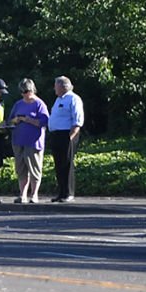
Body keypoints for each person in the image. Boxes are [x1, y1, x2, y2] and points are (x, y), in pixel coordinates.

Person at [8, 78, 50, 204]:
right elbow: (10, 120)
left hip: (33, 142)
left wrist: (28, 120)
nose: (25, 94)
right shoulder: (18, 104)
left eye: (26, 91)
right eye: (22, 92)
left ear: (32, 90)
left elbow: (44, 122)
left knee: (35, 169)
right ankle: (23, 195)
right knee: (21, 169)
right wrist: (15, 120)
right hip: (18, 140)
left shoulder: (39, 104)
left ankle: (34, 194)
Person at [47, 74, 85, 202]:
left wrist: (71, 136)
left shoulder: (73, 99)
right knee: (59, 164)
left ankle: (69, 193)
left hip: (67, 134)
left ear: (63, 86)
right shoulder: (58, 99)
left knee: (67, 163)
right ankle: (61, 192)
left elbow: (77, 119)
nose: (54, 89)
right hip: (56, 134)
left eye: (56, 86)